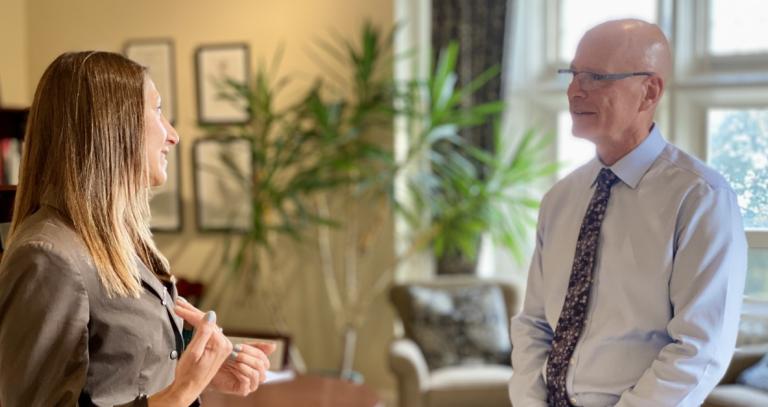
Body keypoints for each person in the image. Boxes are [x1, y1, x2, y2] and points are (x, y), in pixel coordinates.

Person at [0, 51, 274, 406]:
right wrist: (182, 391)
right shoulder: (48, 257)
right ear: (112, 124)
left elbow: (119, 380)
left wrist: (201, 374)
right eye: (158, 111)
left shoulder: (117, 243)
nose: (172, 135)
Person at [509, 19, 747, 407]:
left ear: (649, 91)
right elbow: (533, 325)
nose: (574, 91)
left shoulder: (701, 198)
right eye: (572, 74)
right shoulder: (560, 199)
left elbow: (700, 348)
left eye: (595, 77)